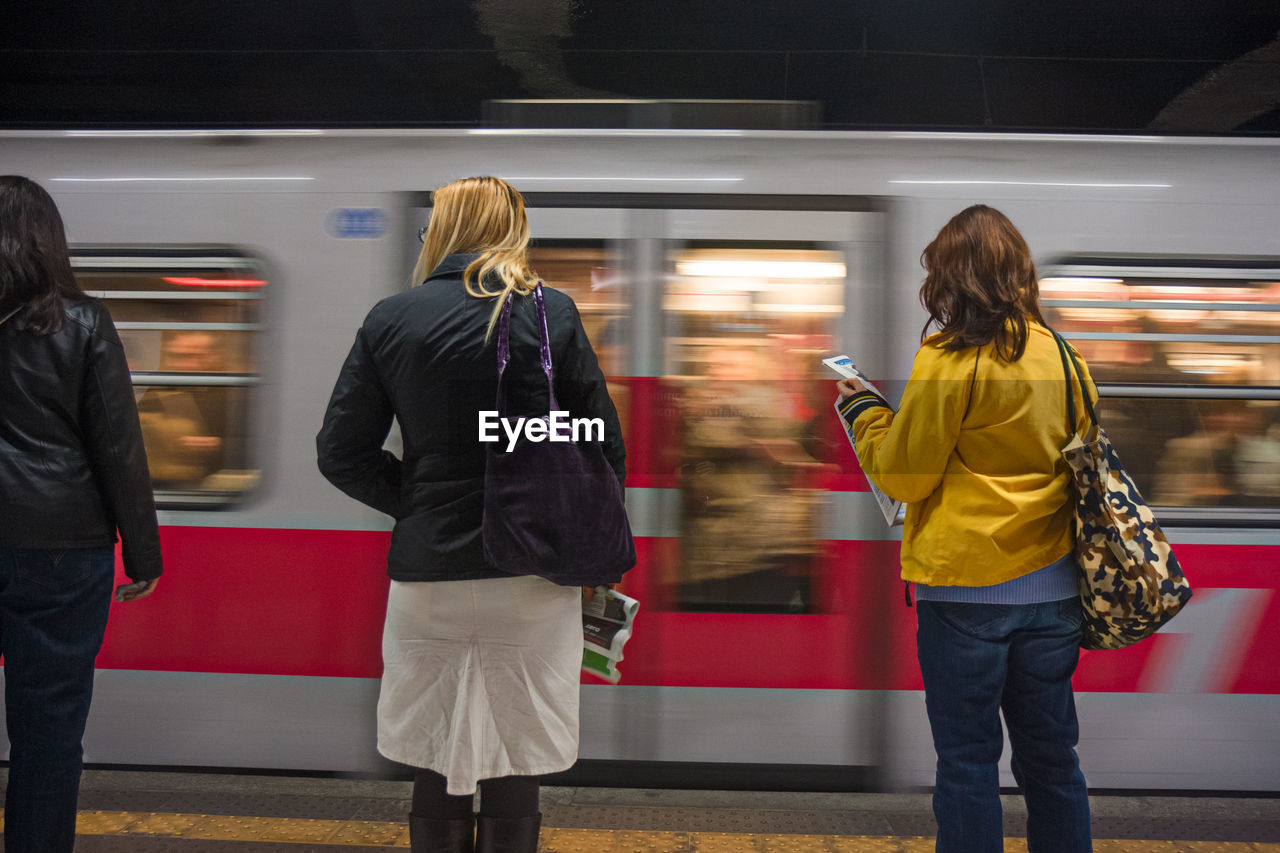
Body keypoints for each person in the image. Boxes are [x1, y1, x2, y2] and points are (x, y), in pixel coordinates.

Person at [316, 176, 624, 853]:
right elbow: (602, 449)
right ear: (514, 231)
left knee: (436, 752)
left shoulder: (391, 318)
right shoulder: (553, 314)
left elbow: (340, 453)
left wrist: (422, 501)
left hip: (429, 579)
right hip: (534, 575)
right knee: (516, 758)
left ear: (443, 231)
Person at [836, 205, 1093, 852]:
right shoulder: (1064, 356)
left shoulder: (950, 358)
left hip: (966, 594)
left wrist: (865, 411)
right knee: (1053, 760)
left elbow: (905, 477)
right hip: (1056, 593)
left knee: (969, 762)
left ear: (951, 277)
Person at [0, 175, 162, 851]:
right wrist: (144, 553)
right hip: (61, 550)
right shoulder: (84, 322)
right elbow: (118, 446)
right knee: (48, 732)